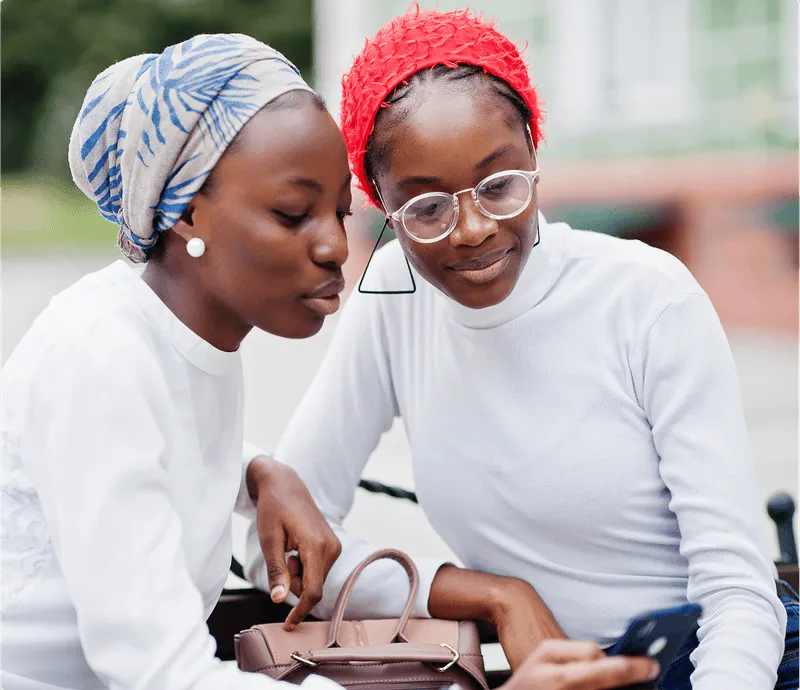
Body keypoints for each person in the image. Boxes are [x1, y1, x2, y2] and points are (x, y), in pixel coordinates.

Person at [0, 31, 659, 690]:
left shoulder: (167, 330)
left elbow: (145, 442)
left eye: (340, 211)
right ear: (188, 215)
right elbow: (163, 676)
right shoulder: (97, 354)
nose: (334, 248)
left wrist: (258, 471)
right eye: (293, 214)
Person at [245, 8, 800, 690]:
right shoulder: (394, 297)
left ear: (534, 155)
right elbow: (279, 548)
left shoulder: (647, 297)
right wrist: (488, 594)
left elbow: (738, 592)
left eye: (500, 186)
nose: (473, 230)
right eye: (425, 209)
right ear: (381, 206)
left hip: (725, 663)